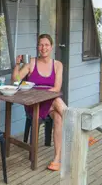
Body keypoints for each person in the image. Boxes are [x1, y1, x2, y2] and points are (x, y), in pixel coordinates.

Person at [11, 34, 97, 171]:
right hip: (34, 103)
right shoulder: (31, 63)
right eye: (40, 44)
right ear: (37, 47)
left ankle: (57, 158)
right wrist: (17, 64)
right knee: (57, 100)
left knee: (58, 117)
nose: (43, 48)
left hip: (50, 102)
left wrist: (45, 95)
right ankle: (81, 130)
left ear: (51, 47)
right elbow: (15, 81)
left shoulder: (57, 65)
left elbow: (57, 88)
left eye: (46, 45)